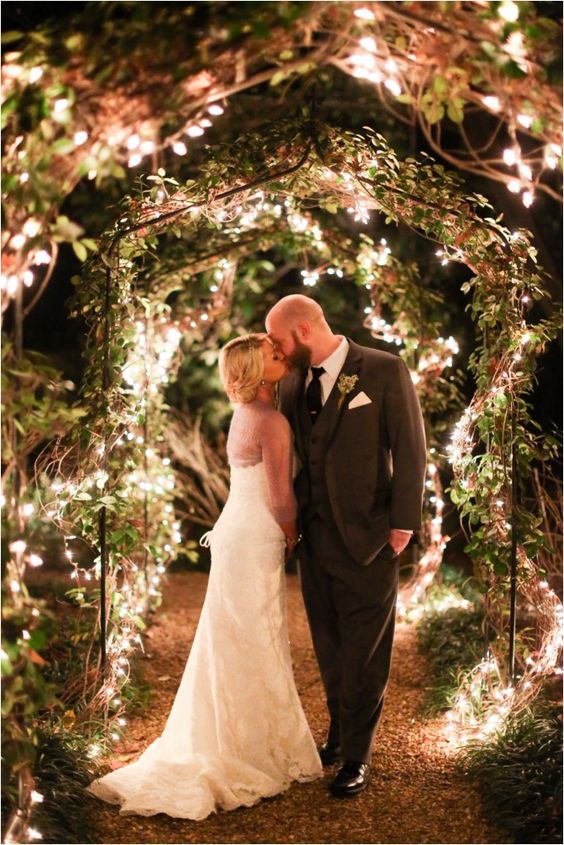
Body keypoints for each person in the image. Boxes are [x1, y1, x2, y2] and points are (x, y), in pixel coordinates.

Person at [86, 333, 322, 819]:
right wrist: (294, 535)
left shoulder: (243, 416)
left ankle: (236, 733)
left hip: (232, 529)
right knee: (256, 636)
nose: (283, 358)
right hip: (256, 534)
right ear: (256, 371)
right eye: (273, 357)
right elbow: (280, 497)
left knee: (231, 636)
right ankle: (251, 747)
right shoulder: (272, 421)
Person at [265, 295, 426, 797]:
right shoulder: (291, 383)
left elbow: (411, 448)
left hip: (370, 534)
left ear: (306, 329)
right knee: (330, 646)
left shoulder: (382, 369)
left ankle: (357, 754)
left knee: (365, 652)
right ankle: (337, 731)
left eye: (278, 340)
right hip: (314, 540)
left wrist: (402, 523)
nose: (275, 349)